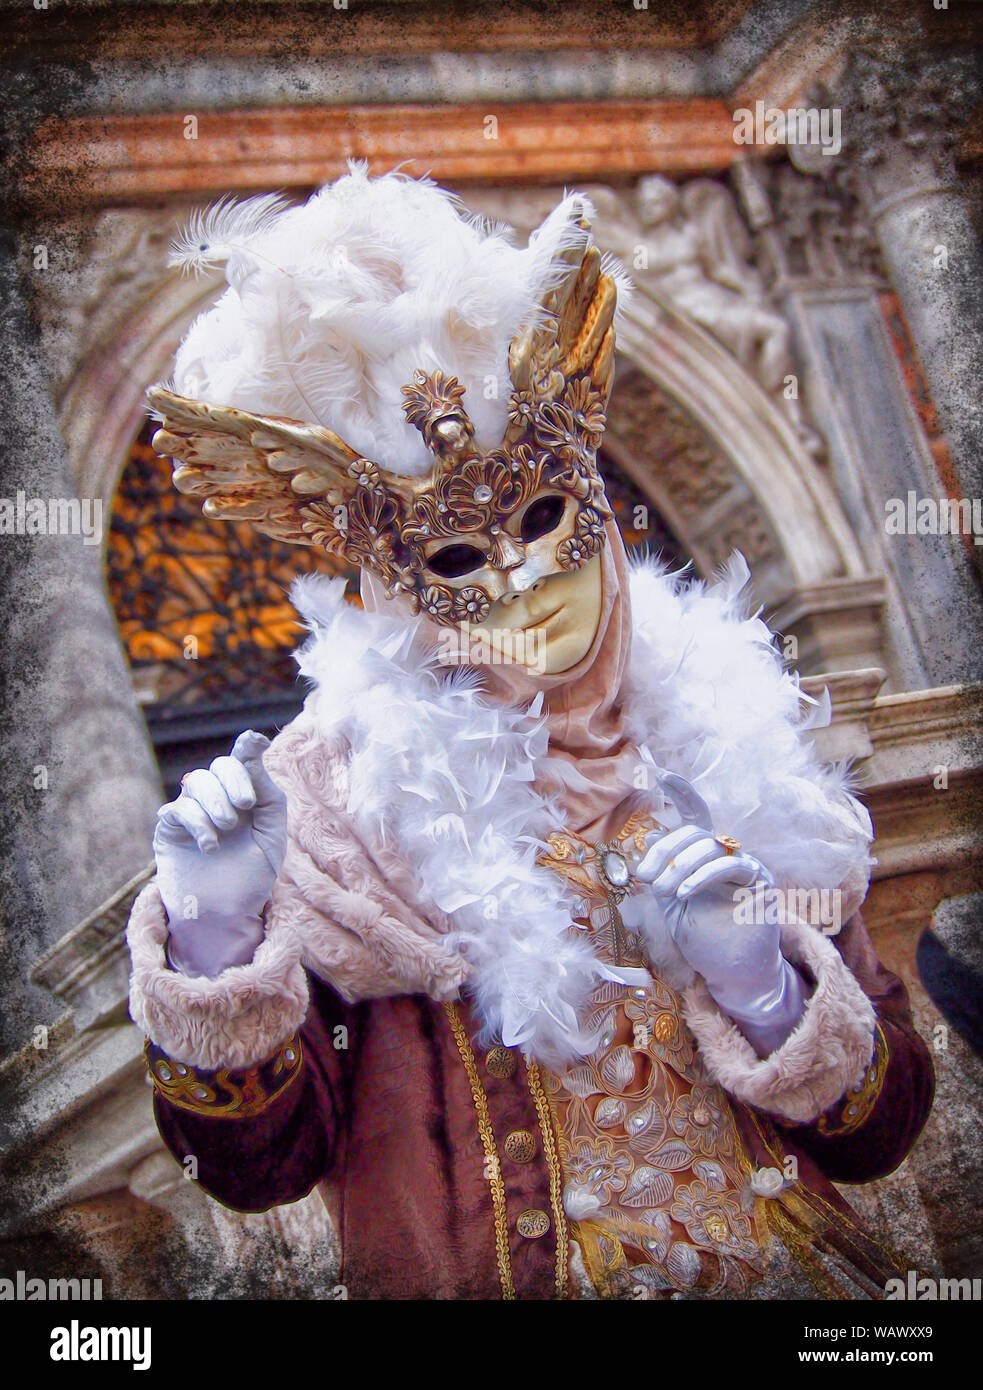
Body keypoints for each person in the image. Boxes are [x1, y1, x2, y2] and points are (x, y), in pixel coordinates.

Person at [126, 165, 933, 1300]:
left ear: (598, 519)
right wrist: (213, 942)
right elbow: (254, 1165)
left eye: (548, 523)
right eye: (458, 562)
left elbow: (880, 1126)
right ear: (403, 592)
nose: (524, 590)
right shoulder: (344, 821)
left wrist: (768, 991)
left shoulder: (722, 745)